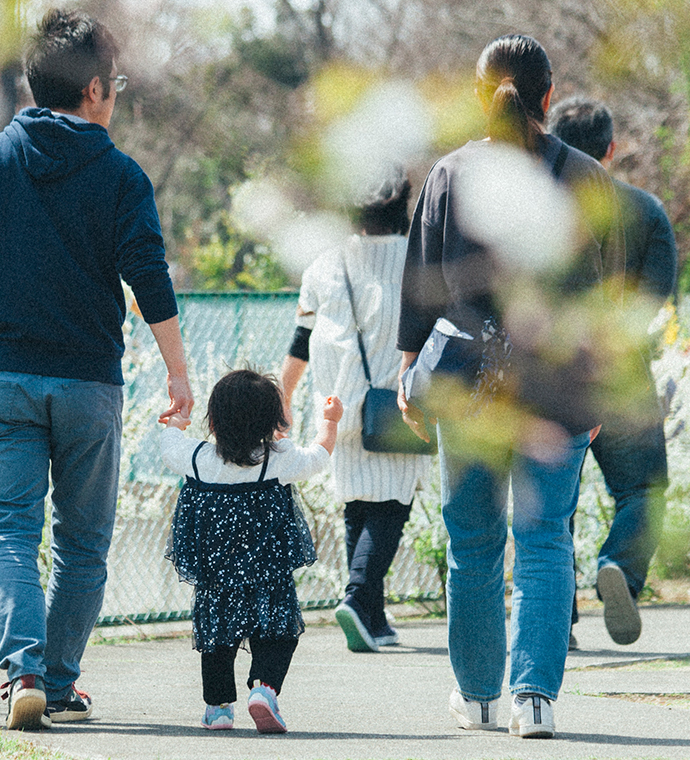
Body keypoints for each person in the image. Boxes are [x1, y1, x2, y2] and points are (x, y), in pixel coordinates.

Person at [0, 8, 193, 731]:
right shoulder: (121, 176)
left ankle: (25, 675)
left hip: (5, 375)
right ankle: (61, 679)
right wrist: (178, 373)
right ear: (97, 90)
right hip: (90, 384)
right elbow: (150, 277)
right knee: (83, 542)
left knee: (10, 529)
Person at [397, 34, 619, 739]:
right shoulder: (587, 177)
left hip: (467, 385)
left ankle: (481, 696)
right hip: (560, 385)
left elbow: (421, 290)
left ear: (476, 94)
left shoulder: (449, 175)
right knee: (546, 540)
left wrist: (408, 372)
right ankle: (535, 700)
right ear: (548, 96)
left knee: (473, 543)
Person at [279, 169, 432, 654]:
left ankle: (375, 620)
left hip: (336, 406)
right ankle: (356, 596)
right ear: (403, 203)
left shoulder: (324, 263)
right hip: (395, 405)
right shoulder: (419, 258)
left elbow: (301, 341)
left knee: (358, 505)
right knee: (392, 506)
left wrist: (281, 399)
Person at [548, 95, 676, 646]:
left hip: (553, 374)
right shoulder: (645, 211)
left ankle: (556, 620)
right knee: (644, 490)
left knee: (555, 504)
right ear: (612, 148)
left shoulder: (537, 215)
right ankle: (620, 562)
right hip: (622, 374)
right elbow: (654, 299)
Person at [160, 369, 341, 734]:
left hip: (216, 578)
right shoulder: (278, 459)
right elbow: (319, 457)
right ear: (274, 421)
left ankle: (218, 709)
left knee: (216, 638)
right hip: (268, 573)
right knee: (277, 632)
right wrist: (329, 421)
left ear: (213, 421)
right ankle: (264, 688)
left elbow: (169, 447)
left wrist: (176, 422)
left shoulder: (198, 459)